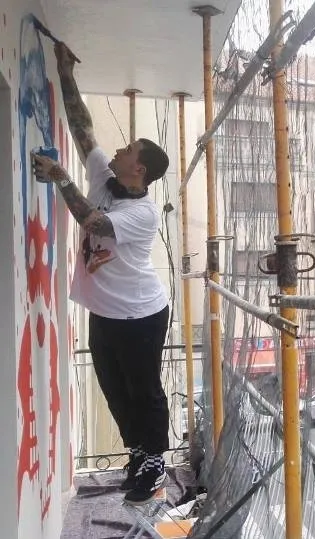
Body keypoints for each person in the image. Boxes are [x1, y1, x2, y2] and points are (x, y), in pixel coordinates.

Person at [30, 42, 172, 505]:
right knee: (113, 389)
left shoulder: (144, 213)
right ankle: (138, 451)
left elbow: (93, 223)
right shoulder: (104, 177)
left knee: (144, 390)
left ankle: (156, 461)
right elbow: (83, 129)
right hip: (106, 312)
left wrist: (60, 177)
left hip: (141, 313)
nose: (118, 149)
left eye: (128, 149)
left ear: (139, 168)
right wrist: (65, 73)